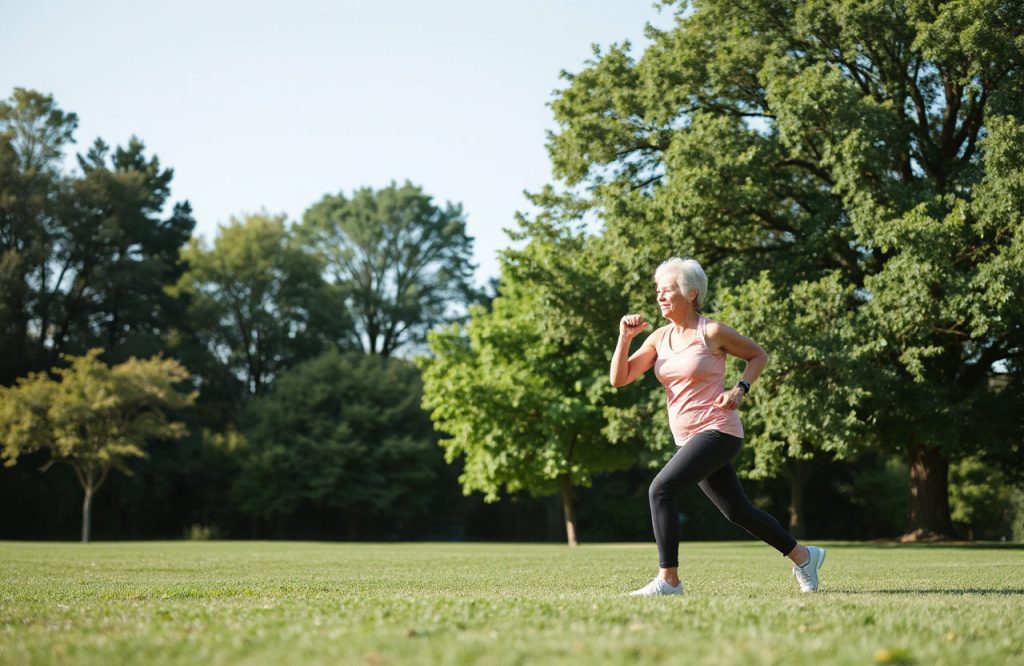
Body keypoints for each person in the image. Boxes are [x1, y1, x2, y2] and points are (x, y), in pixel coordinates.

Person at [609, 257, 825, 596]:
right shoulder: (658, 339)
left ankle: (669, 580)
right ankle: (804, 556)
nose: (660, 297)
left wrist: (740, 389)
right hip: (687, 437)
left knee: (660, 489)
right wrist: (624, 338)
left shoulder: (711, 332)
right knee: (737, 511)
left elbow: (758, 355)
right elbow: (619, 378)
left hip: (718, 430)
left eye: (667, 290)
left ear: (691, 293)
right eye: (658, 291)